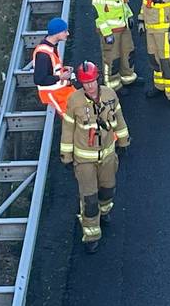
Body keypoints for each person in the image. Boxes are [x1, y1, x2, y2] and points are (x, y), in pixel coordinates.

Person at [59, 61, 129, 253]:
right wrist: (66, 156)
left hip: (107, 155)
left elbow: (119, 119)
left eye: (92, 81)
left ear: (97, 79)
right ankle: (91, 235)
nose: (89, 86)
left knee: (108, 189)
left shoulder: (109, 95)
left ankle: (104, 211)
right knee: (89, 199)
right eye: (85, 83)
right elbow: (68, 129)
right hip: (84, 161)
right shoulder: (74, 101)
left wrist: (124, 141)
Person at [90, 0, 139, 92]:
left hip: (123, 26)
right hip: (111, 31)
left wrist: (129, 15)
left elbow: (123, 2)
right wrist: (107, 33)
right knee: (112, 58)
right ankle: (113, 85)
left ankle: (128, 77)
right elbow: (99, 13)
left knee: (128, 52)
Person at [32, 17, 74, 116]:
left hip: (60, 91)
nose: (67, 34)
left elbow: (51, 68)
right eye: (65, 31)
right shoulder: (43, 55)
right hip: (55, 95)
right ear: (57, 33)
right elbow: (39, 80)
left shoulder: (49, 47)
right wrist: (60, 77)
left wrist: (63, 69)